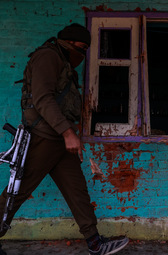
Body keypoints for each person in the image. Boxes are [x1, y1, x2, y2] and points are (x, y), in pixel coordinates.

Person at [0, 23, 129, 255]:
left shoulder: (64, 62)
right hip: (43, 138)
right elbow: (43, 99)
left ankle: (95, 243)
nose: (82, 54)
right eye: (80, 47)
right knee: (16, 192)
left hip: (59, 140)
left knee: (77, 191)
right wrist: (67, 132)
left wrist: (70, 135)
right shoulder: (48, 57)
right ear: (67, 43)